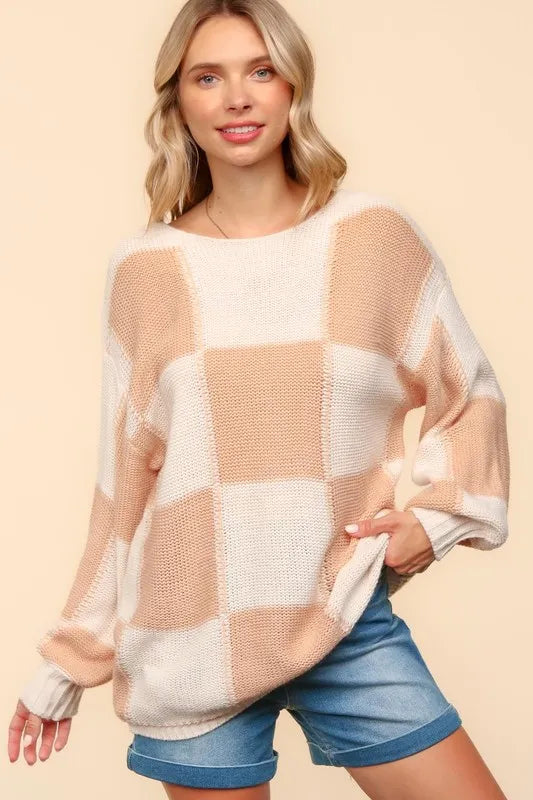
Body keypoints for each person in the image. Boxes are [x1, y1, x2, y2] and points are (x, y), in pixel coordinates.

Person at [8, 1, 511, 798]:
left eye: (260, 71)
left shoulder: (373, 237)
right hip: (190, 638)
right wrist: (69, 661)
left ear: (292, 88)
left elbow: (470, 393)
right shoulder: (145, 270)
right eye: (208, 77)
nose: (237, 98)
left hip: (343, 618)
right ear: (178, 101)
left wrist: (437, 519)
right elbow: (122, 484)